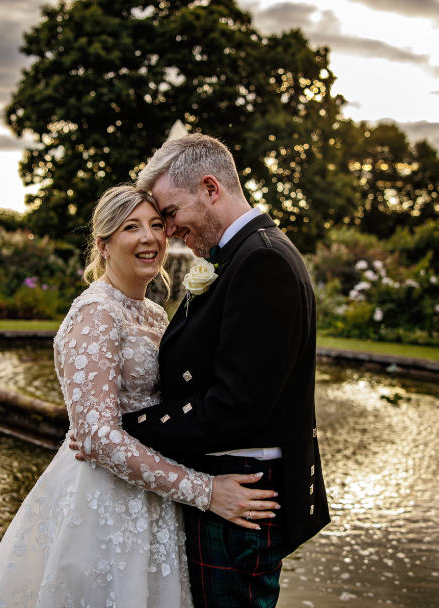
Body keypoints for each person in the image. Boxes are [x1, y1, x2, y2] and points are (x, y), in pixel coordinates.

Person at [0, 185, 278, 608]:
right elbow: (96, 437)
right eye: (132, 227)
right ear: (103, 244)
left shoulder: (153, 313)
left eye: (156, 224)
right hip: (104, 504)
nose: (149, 237)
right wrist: (205, 491)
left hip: (154, 497)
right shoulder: (96, 313)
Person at [117, 133, 330, 607]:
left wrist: (128, 429)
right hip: (229, 481)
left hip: (241, 489)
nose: (169, 230)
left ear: (210, 188)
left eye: (171, 213)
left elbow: (236, 406)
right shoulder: (244, 254)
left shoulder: (262, 260)